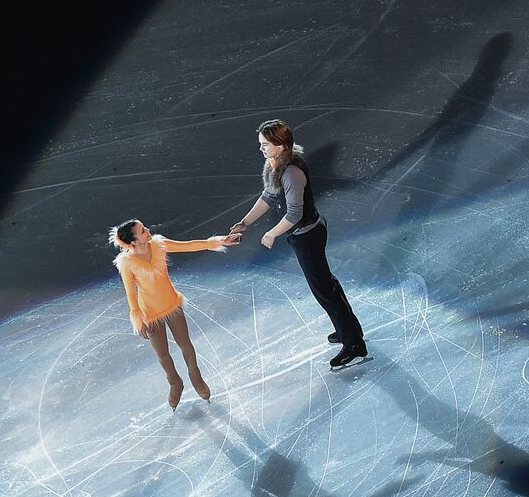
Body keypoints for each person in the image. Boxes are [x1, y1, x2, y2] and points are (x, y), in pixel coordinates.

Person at [229, 119, 369, 369]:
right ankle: (347, 330)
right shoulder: (275, 163)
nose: (261, 148)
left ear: (281, 146)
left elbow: (293, 213)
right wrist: (245, 222)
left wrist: (271, 234)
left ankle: (354, 344)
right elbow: (269, 195)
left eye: (265, 144)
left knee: (324, 291)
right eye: (260, 144)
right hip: (304, 233)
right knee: (327, 286)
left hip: (308, 236)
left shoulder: (291, 172)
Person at [109, 219, 239, 410]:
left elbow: (189, 245)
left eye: (145, 228)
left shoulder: (159, 245)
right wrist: (138, 319)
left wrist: (218, 241)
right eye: (143, 231)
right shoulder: (127, 263)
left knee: (185, 344)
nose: (148, 230)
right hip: (150, 313)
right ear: (134, 241)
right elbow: (130, 293)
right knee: (162, 353)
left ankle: (196, 377)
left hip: (172, 304)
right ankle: (174, 382)